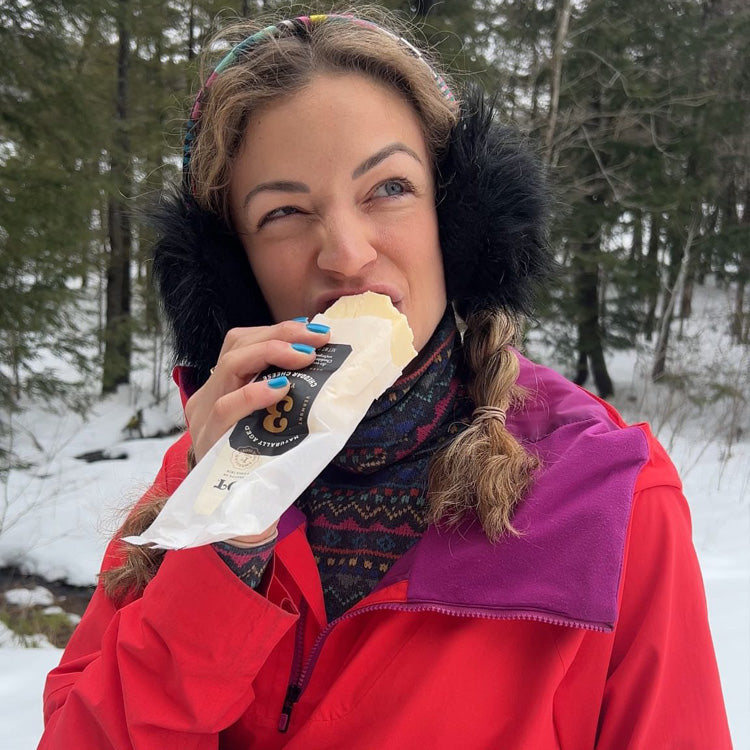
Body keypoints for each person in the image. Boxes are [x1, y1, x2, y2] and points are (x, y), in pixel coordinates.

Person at [39, 11, 731, 749]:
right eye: (282, 212)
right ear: (234, 275)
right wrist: (224, 542)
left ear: (458, 217)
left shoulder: (616, 498)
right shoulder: (202, 477)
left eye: (389, 188)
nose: (344, 253)